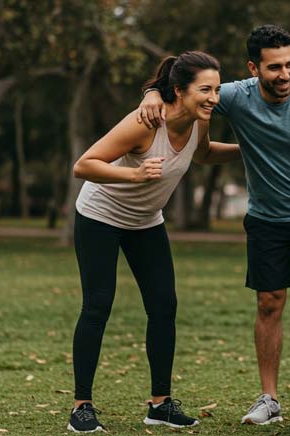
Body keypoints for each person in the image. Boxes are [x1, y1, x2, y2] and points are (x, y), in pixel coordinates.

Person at [137, 25, 290, 432]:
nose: (285, 74)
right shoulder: (233, 96)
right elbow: (183, 86)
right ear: (254, 68)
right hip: (267, 218)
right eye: (274, 67)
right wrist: (151, 93)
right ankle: (269, 398)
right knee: (269, 303)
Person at [68, 51, 240, 433]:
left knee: (164, 306)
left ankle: (160, 404)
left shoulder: (199, 122)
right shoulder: (146, 122)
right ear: (178, 90)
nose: (214, 98)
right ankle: (82, 407)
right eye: (205, 90)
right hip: (100, 216)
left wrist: (250, 151)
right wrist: (135, 176)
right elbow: (84, 165)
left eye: (216, 89)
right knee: (97, 306)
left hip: (146, 221)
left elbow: (205, 154)